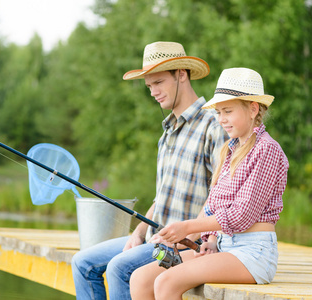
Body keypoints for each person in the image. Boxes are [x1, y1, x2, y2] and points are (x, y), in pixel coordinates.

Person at [71, 41, 227, 300]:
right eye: (149, 86)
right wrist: (138, 231)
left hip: (183, 247)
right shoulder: (166, 133)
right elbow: (162, 196)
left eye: (159, 83)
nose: (153, 92)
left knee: (120, 268)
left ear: (181, 75)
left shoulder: (213, 124)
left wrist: (187, 233)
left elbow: (220, 195)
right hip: (153, 239)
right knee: (82, 263)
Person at [129, 67, 290, 300]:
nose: (221, 119)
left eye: (227, 111)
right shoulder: (230, 149)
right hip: (224, 246)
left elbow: (241, 215)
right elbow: (215, 203)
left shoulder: (267, 150)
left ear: (253, 109)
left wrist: (188, 227)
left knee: (166, 281)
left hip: (253, 253)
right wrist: (211, 239)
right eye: (218, 112)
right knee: (141, 279)